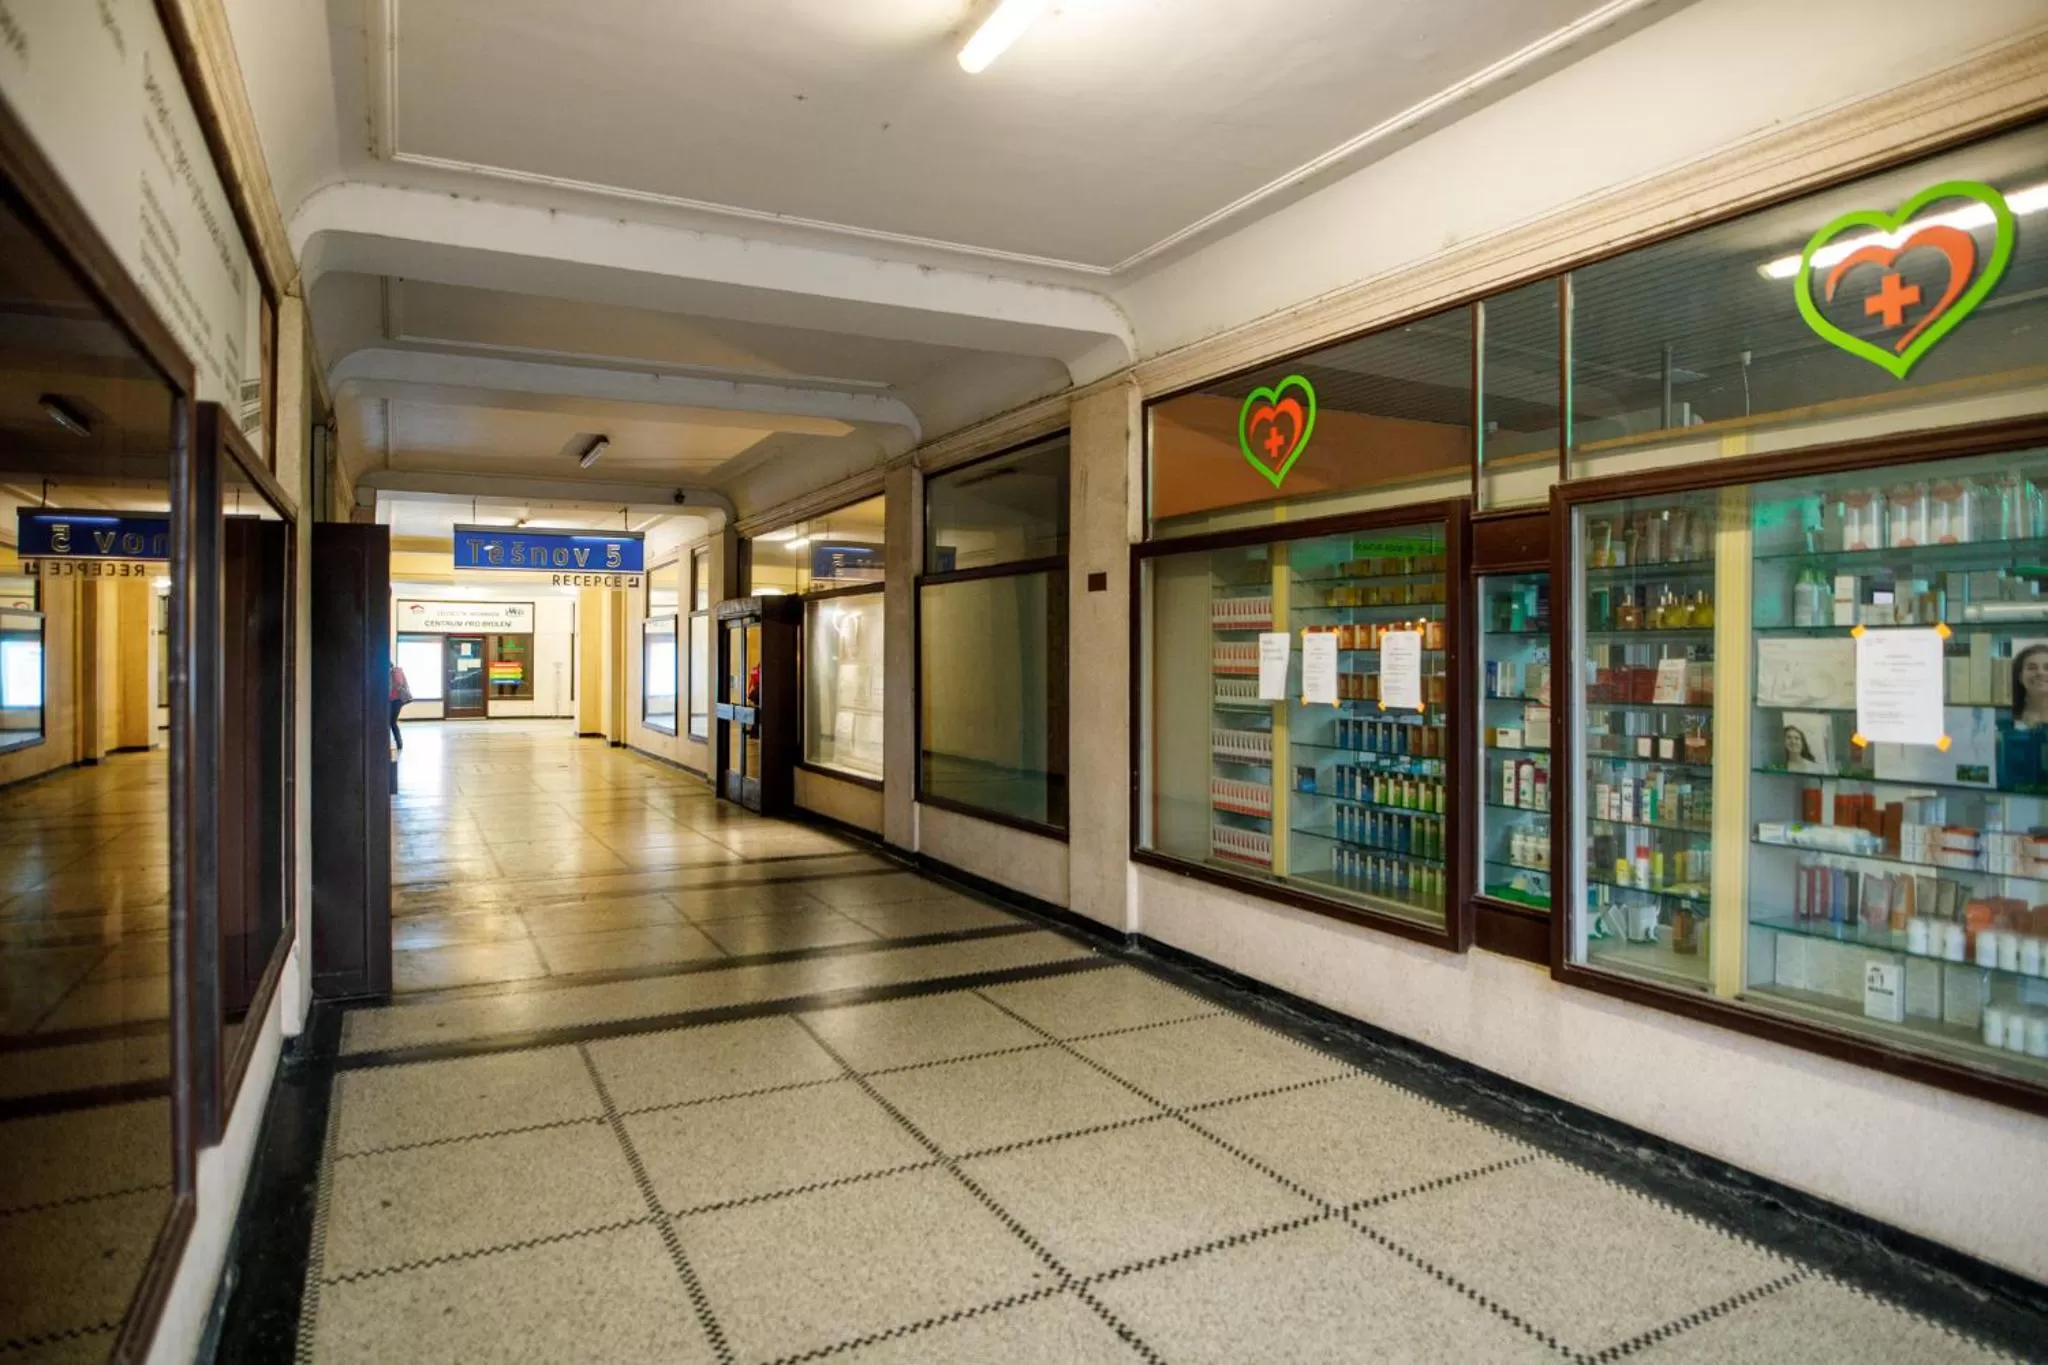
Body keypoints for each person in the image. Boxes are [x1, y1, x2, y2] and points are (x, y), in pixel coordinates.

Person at [2012, 644, 2048, 728]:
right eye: (2032, 668)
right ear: (2020, 676)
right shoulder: (2004, 719)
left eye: (2047, 668)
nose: (2040, 673)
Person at [389, 663, 412, 750]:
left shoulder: (395, 672)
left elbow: (398, 684)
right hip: (395, 700)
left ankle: (398, 743)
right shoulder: (397, 671)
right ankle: (398, 743)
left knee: (391, 722)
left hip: (395, 700)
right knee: (392, 722)